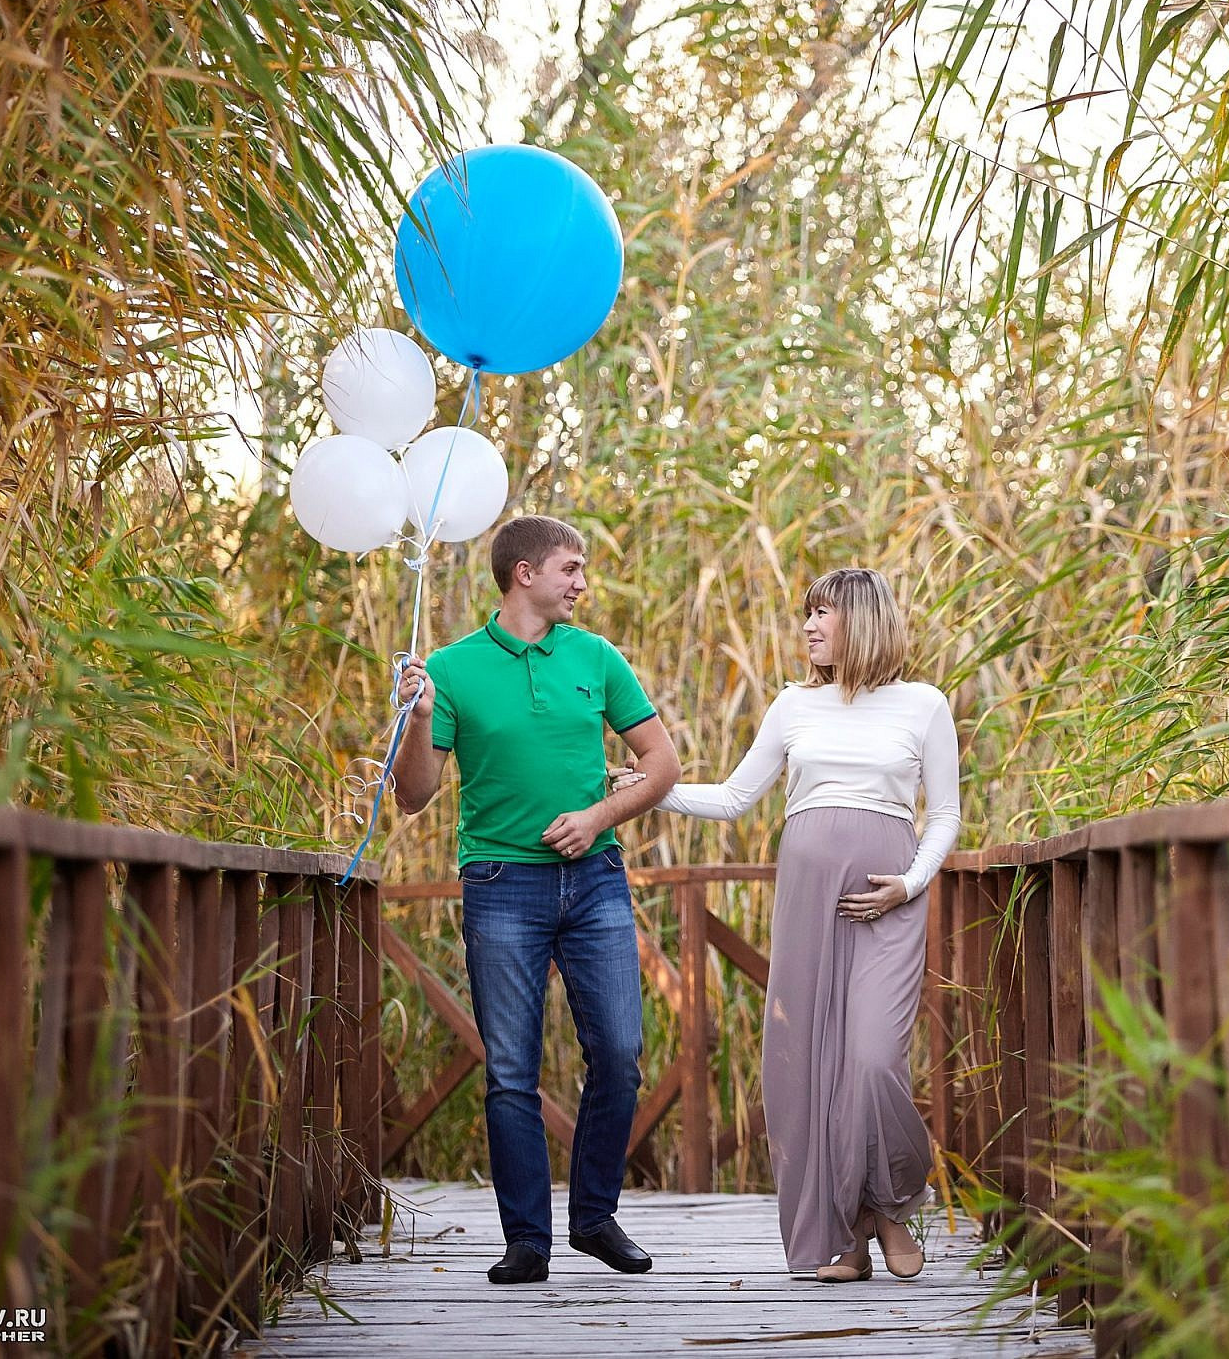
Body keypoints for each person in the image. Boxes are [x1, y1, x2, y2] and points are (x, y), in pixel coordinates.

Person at [615, 567, 960, 1282]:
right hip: (808, 897)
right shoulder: (793, 706)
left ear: (862, 620)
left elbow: (945, 815)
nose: (807, 627)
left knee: (871, 1061)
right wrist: (651, 793)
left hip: (887, 897)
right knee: (806, 1068)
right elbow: (739, 796)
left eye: (822, 614)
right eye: (807, 614)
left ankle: (892, 1204)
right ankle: (845, 1241)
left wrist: (910, 883)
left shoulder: (923, 705)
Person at [392, 514, 681, 1286]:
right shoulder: (450, 669)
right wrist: (418, 719)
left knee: (619, 1053)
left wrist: (596, 818)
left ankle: (593, 1217)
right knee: (511, 1073)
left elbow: (661, 764)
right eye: (571, 568)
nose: (582, 582)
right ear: (524, 573)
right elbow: (413, 796)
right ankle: (528, 1241)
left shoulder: (596, 656)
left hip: (596, 883)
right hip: (499, 886)